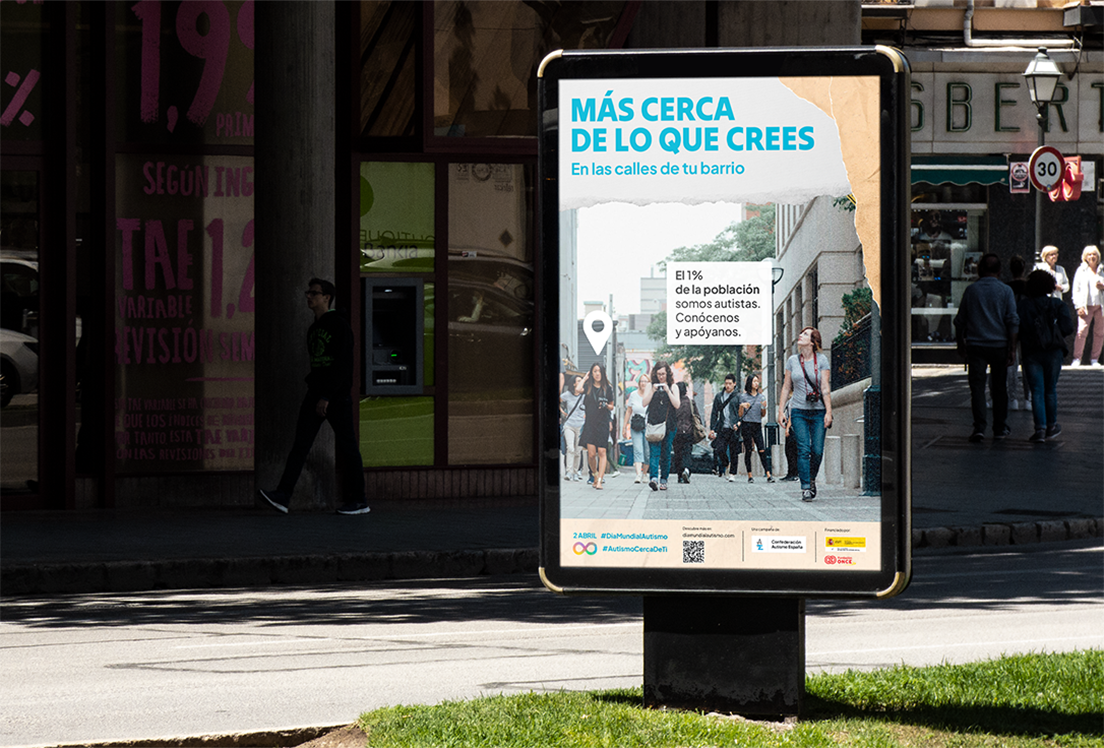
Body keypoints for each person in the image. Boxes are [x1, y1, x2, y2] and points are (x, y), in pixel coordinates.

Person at [260, 278, 369, 515]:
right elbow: (319, 366)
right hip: (317, 394)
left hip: (336, 398)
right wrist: (317, 391)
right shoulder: (313, 329)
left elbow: (343, 367)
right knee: (300, 445)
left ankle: (360, 500)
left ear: (326, 298)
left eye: (314, 293)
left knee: (348, 447)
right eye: (308, 293)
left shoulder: (340, 326)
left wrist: (327, 396)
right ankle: (283, 495)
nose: (308, 297)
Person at [953, 254, 1019, 442]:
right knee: (999, 387)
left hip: (976, 345)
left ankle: (979, 427)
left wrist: (961, 344)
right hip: (999, 345)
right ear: (999, 271)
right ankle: (999, 427)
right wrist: (1012, 348)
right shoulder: (1006, 291)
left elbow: (960, 321)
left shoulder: (971, 291)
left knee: (977, 387)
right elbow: (1012, 320)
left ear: (979, 270)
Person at [1018, 270, 1075, 443]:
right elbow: (1068, 328)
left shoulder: (1023, 306)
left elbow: (1018, 327)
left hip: (1031, 351)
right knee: (1050, 389)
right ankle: (1052, 425)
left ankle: (1040, 429)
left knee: (1037, 390)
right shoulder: (1057, 305)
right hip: (1053, 351)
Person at [777, 326, 832, 502]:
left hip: (818, 411)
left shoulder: (822, 360)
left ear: (813, 341)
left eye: (805, 334)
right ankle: (806, 487)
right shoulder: (792, 361)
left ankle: (811, 478)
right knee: (803, 449)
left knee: (817, 450)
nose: (801, 336)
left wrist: (829, 412)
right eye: (801, 333)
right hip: (799, 410)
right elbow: (786, 387)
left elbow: (824, 387)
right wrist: (780, 411)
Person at [642, 361, 680, 491]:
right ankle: (653, 478)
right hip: (654, 424)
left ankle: (664, 479)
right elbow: (644, 403)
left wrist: (668, 391)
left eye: (663, 374)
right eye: (658, 374)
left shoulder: (673, 387)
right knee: (654, 453)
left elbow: (677, 404)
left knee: (666, 453)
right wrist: (652, 391)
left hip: (669, 425)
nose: (661, 377)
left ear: (668, 374)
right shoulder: (650, 386)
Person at [576, 362, 615, 490]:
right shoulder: (588, 386)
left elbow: (611, 405)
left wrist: (605, 405)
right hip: (590, 423)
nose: (597, 374)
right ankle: (594, 474)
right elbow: (577, 390)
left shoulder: (607, 388)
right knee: (591, 454)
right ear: (591, 373)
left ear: (603, 373)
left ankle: (600, 480)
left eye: (599, 371)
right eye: (595, 371)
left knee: (602, 451)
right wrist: (585, 378)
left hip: (602, 422)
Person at [1070, 244, 1104, 367]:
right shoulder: (1081, 270)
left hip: (1101, 305)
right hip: (1086, 306)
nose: (1092, 256)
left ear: (1098, 256)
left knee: (1100, 333)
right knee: (1082, 331)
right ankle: (1077, 358)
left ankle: (1095, 359)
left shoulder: (1102, 269)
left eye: (1094, 254)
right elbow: (1076, 289)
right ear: (1085, 256)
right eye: (1089, 254)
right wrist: (1078, 306)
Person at [739, 373, 774, 483]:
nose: (756, 383)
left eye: (757, 381)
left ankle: (768, 474)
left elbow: (763, 414)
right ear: (749, 383)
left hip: (757, 424)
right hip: (746, 425)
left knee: (762, 449)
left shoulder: (761, 397)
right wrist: (741, 406)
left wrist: (764, 406)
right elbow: (740, 415)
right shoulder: (743, 397)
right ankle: (750, 475)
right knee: (748, 450)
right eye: (754, 381)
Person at [708, 373, 741, 482]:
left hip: (733, 428)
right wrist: (712, 428)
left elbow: (742, 413)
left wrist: (739, 423)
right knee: (720, 449)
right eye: (726, 383)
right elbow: (714, 413)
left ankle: (732, 473)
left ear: (734, 384)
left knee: (733, 451)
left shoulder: (738, 396)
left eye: (730, 384)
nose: (728, 386)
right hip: (722, 427)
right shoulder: (719, 396)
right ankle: (726, 464)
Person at [622, 372, 650, 483]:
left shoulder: (651, 395)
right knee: (638, 449)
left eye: (646, 381)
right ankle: (638, 475)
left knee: (647, 452)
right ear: (639, 383)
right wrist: (624, 426)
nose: (644, 383)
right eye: (642, 381)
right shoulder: (633, 395)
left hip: (648, 426)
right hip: (636, 426)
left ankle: (645, 474)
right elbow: (629, 411)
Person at [560, 375, 586, 481]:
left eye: (581, 381)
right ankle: (569, 472)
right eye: (578, 381)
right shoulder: (568, 395)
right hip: (569, 425)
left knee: (577, 450)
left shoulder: (585, 396)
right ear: (574, 384)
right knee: (570, 448)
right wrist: (562, 412)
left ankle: (576, 472)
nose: (580, 382)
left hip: (580, 425)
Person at [672, 380, 695, 484]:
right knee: (687, 453)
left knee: (678, 454)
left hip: (676, 432)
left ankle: (679, 476)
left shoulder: (674, 403)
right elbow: (696, 416)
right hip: (689, 431)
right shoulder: (690, 402)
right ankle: (687, 470)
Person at [781, 394, 799, 481]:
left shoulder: (795, 399)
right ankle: (790, 473)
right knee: (788, 451)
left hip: (793, 427)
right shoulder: (790, 399)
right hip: (791, 425)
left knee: (792, 451)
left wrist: (787, 428)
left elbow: (793, 414)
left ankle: (795, 474)